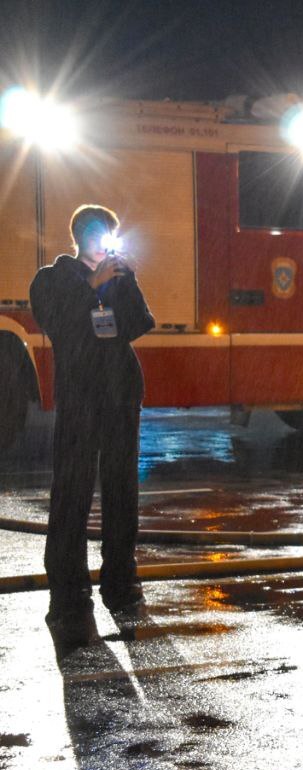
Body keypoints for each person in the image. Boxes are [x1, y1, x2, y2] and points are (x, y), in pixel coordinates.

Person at [29, 204, 155, 641]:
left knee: (121, 489)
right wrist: (92, 287)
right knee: (73, 489)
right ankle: (68, 591)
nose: (105, 241)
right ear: (81, 234)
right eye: (99, 232)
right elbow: (61, 327)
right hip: (81, 397)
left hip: (120, 394)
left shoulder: (118, 276)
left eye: (111, 233)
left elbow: (140, 324)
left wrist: (125, 282)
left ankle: (121, 582)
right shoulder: (52, 278)